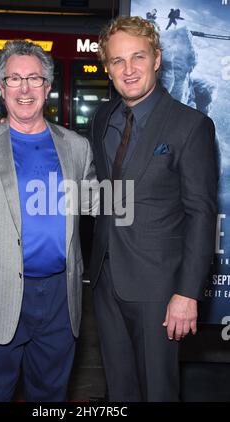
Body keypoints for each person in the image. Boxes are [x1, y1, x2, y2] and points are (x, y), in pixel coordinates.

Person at [0, 40, 98, 402]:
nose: (24, 89)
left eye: (34, 79)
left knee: (51, 398)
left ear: (48, 86)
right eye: (14, 79)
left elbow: (95, 204)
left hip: (60, 297)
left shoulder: (76, 147)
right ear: (1, 86)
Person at [89, 16, 218, 402]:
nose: (128, 70)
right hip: (105, 280)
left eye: (138, 57)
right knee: (119, 391)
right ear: (107, 68)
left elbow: (201, 213)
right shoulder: (100, 120)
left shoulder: (191, 126)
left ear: (157, 59)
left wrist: (187, 293)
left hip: (160, 289)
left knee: (159, 391)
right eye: (117, 61)